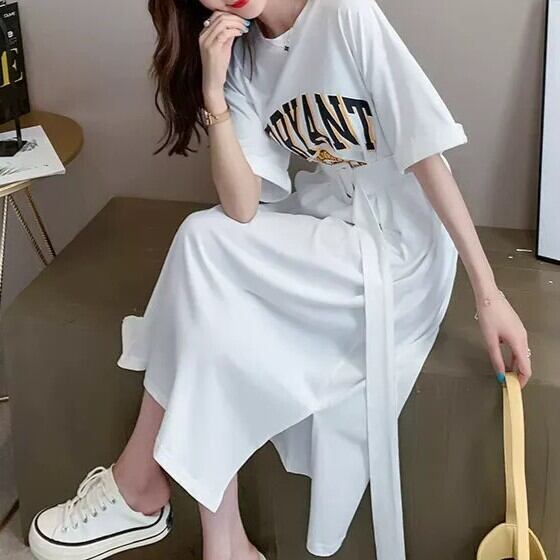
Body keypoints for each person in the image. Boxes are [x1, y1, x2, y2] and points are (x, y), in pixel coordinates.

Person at [27, 1, 533, 560]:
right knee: (209, 272)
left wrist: (488, 293)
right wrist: (215, 95)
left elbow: (425, 155)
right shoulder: (241, 58)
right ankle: (223, 544)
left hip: (402, 251)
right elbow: (242, 206)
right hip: (336, 224)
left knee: (202, 245)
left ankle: (142, 486)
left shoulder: (344, 13)